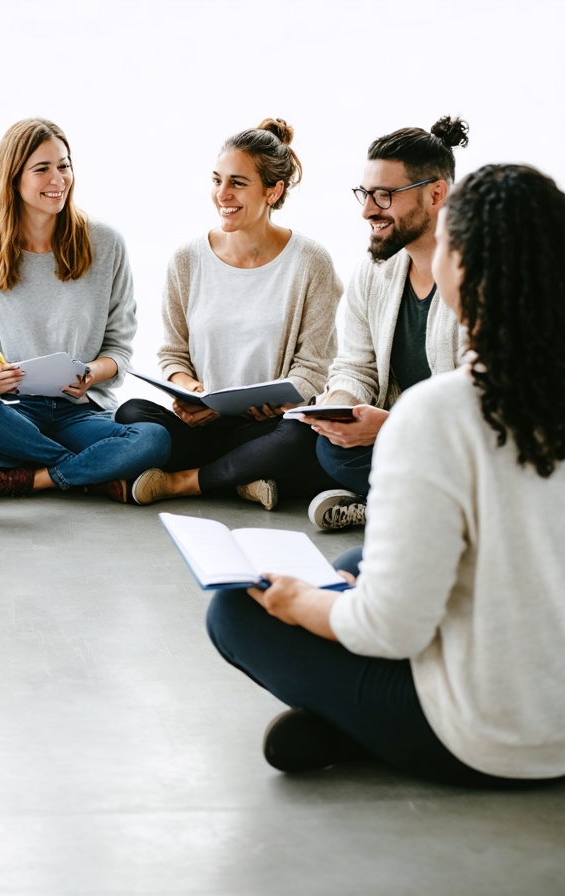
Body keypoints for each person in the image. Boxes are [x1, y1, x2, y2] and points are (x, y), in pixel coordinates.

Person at [206, 163, 565, 787]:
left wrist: (300, 604)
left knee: (236, 609)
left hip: (496, 740)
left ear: (460, 269)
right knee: (355, 560)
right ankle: (356, 724)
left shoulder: (440, 412)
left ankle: (361, 730)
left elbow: (391, 627)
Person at [0, 118, 170, 501]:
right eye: (42, 169)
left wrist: (91, 374)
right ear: (13, 178)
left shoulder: (105, 243)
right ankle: (89, 472)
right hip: (16, 414)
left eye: (64, 165)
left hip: (82, 412)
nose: (58, 178)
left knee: (154, 438)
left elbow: (119, 350)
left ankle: (35, 478)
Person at [115, 119, 343, 509]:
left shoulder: (311, 263)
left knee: (303, 438)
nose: (222, 194)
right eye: (217, 180)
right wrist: (193, 393)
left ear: (274, 191)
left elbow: (313, 367)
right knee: (130, 411)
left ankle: (186, 483)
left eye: (237, 183)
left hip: (266, 428)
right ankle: (243, 478)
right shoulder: (187, 259)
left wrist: (279, 401)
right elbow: (173, 354)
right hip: (203, 425)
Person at [302, 117, 469, 530]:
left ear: (436, 194)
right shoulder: (375, 272)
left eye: (384, 195)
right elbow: (354, 366)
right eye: (365, 193)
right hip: (404, 445)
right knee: (329, 449)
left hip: (459, 449)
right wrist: (339, 409)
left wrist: (394, 426)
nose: (367, 210)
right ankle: (408, 505)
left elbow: (485, 409)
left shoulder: (477, 276)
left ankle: (392, 507)